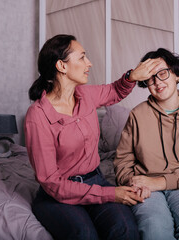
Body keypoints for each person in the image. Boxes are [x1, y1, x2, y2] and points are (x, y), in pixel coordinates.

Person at [24, 34, 163, 240]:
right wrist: (111, 194)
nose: (89, 63)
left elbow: (115, 90)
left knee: (125, 229)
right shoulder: (37, 116)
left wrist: (133, 75)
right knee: (84, 234)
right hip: (58, 195)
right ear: (62, 66)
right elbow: (52, 182)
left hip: (95, 180)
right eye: (82, 57)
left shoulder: (86, 95)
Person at [114, 48, 179, 240]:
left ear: (177, 75)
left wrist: (160, 182)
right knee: (153, 228)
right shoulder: (137, 115)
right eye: (150, 78)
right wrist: (133, 182)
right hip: (145, 187)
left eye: (162, 73)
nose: (157, 82)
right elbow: (122, 162)